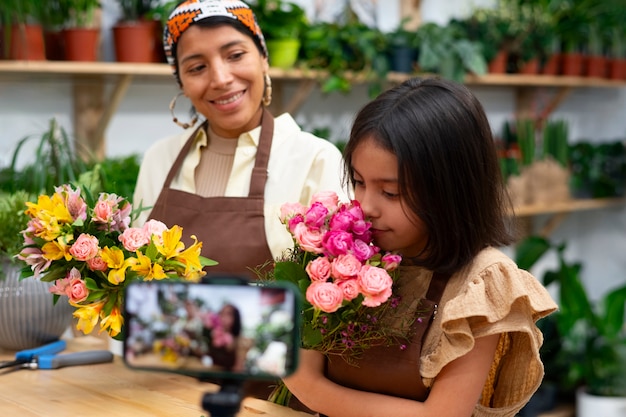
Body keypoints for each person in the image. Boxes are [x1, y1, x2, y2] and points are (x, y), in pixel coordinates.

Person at [283, 77, 558, 417]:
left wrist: (307, 385)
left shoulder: (480, 283)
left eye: (391, 192)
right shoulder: (344, 250)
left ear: (451, 190)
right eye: (358, 181)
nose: (366, 206)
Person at [132, 0, 346, 278]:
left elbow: (338, 287)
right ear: (181, 83)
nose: (220, 78)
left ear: (263, 59)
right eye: (197, 67)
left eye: (235, 55)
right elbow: (135, 275)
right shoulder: (159, 159)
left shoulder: (315, 159)